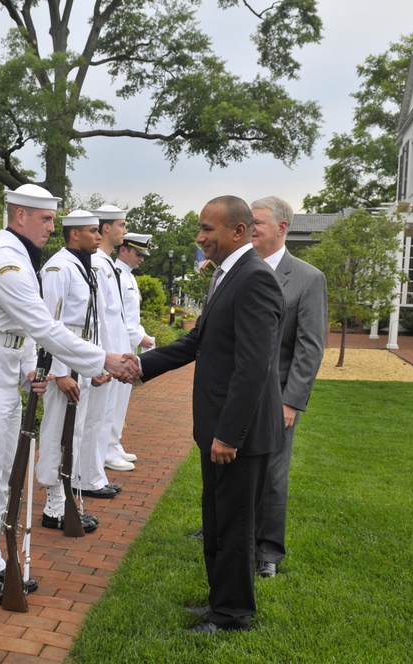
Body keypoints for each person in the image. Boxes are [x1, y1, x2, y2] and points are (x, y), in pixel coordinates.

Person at [0, 185, 139, 604]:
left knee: (6, 473)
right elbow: (43, 325)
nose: (51, 227)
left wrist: (30, 366)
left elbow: (25, 329)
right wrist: (104, 359)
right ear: (20, 215)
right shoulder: (4, 261)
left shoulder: (20, 258)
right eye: (45, 219)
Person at [138, 195, 284, 634]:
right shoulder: (226, 276)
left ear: (237, 231)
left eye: (207, 229)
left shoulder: (254, 279)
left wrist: (230, 434)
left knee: (235, 526)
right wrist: (137, 367)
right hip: (219, 429)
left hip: (238, 435)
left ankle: (234, 615)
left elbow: (253, 366)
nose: (200, 238)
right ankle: (221, 602)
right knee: (216, 520)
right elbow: (195, 342)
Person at [250, 196, 327, 578]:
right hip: (235, 393)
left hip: (277, 395)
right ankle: (233, 535)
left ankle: (268, 552)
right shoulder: (235, 270)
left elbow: (309, 348)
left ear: (282, 228)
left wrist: (291, 401)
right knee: (232, 469)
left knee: (273, 476)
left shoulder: (308, 279)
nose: (249, 228)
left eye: (257, 222)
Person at [35, 210, 105, 533]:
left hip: (80, 355)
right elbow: (48, 323)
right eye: (93, 231)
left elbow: (91, 321)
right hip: (63, 361)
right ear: (74, 234)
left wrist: (97, 363)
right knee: (57, 432)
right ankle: (53, 504)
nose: (99, 237)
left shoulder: (83, 267)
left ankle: (68, 497)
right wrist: (60, 372)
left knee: (74, 432)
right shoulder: (58, 268)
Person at [76, 204, 129, 495]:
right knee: (93, 420)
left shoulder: (106, 263)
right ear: (106, 227)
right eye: (120, 225)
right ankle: (87, 478)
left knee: (101, 419)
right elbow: (95, 319)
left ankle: (93, 475)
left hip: (111, 355)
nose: (124, 230)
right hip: (103, 356)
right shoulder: (96, 263)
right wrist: (102, 360)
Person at [109, 232, 155, 470]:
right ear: (123, 250)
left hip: (127, 344)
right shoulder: (115, 275)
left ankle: (114, 444)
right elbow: (119, 316)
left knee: (121, 400)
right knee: (113, 401)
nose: (142, 259)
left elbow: (132, 316)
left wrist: (141, 334)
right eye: (138, 253)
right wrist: (140, 337)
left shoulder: (128, 276)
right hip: (117, 345)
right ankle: (108, 449)